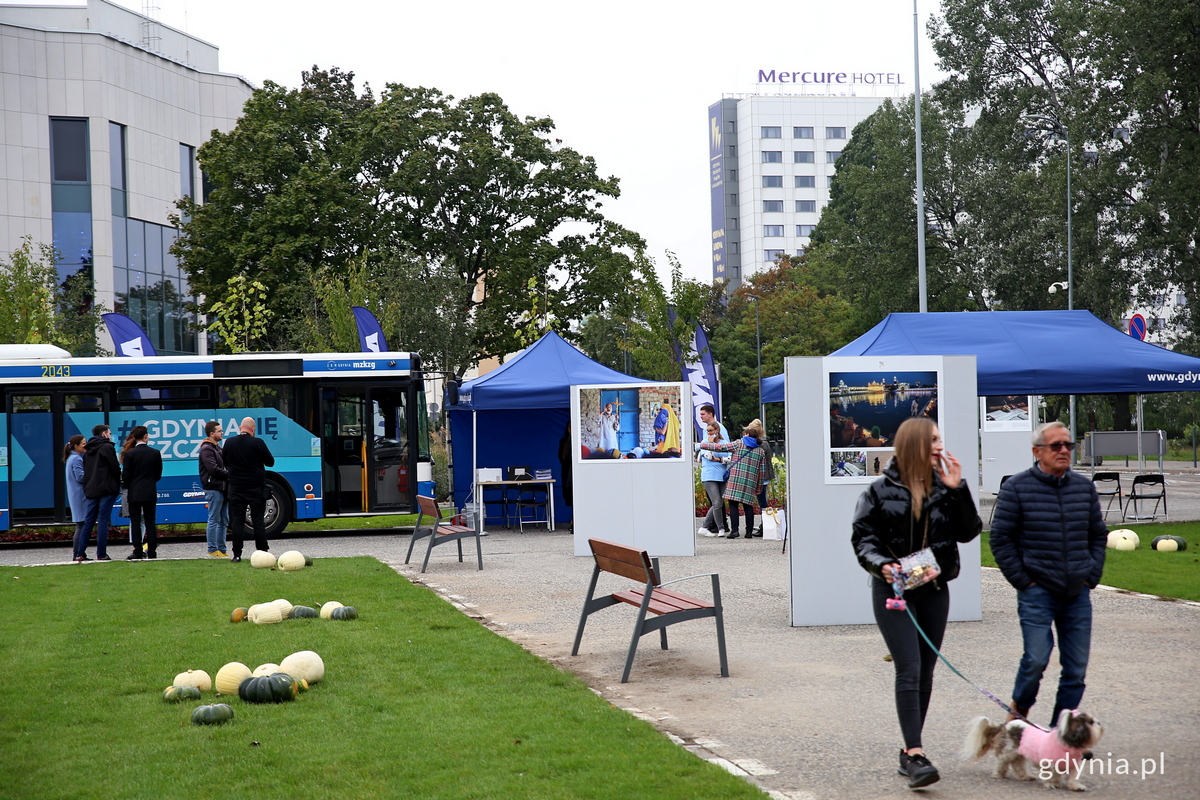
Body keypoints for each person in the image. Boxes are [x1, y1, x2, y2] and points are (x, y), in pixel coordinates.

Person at [851, 417, 981, 789]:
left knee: (925, 671)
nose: (940, 446)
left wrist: (959, 489)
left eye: (941, 438)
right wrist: (882, 565)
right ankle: (915, 752)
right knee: (908, 668)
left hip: (935, 590)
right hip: (893, 592)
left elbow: (969, 532)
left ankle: (910, 752)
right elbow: (863, 540)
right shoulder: (877, 491)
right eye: (934, 440)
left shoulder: (945, 487)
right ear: (915, 445)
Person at [989, 421, 1107, 728]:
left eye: (1068, 445)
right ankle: (1017, 719)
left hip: (1076, 592)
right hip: (1037, 590)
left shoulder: (1083, 487)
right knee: (1036, 660)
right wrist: (1023, 581)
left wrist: (1090, 575)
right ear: (1037, 451)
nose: (1065, 450)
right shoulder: (1016, 488)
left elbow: (1097, 535)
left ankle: (1058, 734)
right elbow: (1000, 540)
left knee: (1076, 669)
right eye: (1056, 446)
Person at [697, 420, 767, 539]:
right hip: (750, 482)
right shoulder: (760, 451)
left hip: (735, 480)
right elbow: (762, 471)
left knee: (733, 505)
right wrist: (759, 487)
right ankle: (749, 532)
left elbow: (721, 447)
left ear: (747, 435)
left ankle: (735, 531)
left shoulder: (739, 444)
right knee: (748, 506)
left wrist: (701, 445)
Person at [223, 416, 275, 563]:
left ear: (240, 428)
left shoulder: (229, 442)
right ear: (253, 430)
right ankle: (262, 551)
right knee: (258, 521)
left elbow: (224, 462)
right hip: (255, 489)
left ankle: (237, 555)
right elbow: (270, 462)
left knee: (237, 522)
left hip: (236, 489)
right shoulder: (257, 443)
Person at [79, 424, 121, 562]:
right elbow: (114, 467)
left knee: (89, 521)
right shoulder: (107, 447)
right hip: (107, 488)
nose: (110, 435)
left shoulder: (88, 450)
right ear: (104, 434)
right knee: (103, 520)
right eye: (109, 433)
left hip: (92, 489)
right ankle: (101, 554)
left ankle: (80, 553)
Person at [120, 425, 162, 559]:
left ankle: (138, 550)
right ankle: (152, 551)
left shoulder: (129, 454)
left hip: (134, 491)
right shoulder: (155, 453)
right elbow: (158, 474)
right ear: (145, 436)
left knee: (136, 521)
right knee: (150, 521)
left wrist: (131, 485)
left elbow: (125, 476)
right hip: (149, 490)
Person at [198, 420, 230, 558]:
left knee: (224, 520)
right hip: (214, 488)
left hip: (222, 488)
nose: (222, 433)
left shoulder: (217, 448)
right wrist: (231, 474)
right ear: (212, 433)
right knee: (214, 519)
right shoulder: (207, 449)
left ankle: (222, 550)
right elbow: (213, 469)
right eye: (219, 431)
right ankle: (212, 549)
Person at [697, 421, 731, 537]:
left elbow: (729, 458)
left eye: (711, 431)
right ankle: (710, 527)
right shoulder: (705, 442)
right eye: (708, 431)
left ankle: (715, 527)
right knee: (716, 501)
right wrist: (711, 446)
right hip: (709, 475)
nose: (709, 433)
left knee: (719, 502)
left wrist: (719, 459)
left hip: (722, 475)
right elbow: (708, 456)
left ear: (717, 430)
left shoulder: (724, 443)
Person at [63, 435, 89, 561]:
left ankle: (79, 553)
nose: (86, 445)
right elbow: (80, 477)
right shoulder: (76, 459)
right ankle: (78, 553)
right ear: (76, 445)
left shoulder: (71, 458)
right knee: (81, 525)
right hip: (80, 496)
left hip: (76, 495)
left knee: (81, 524)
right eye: (84, 443)